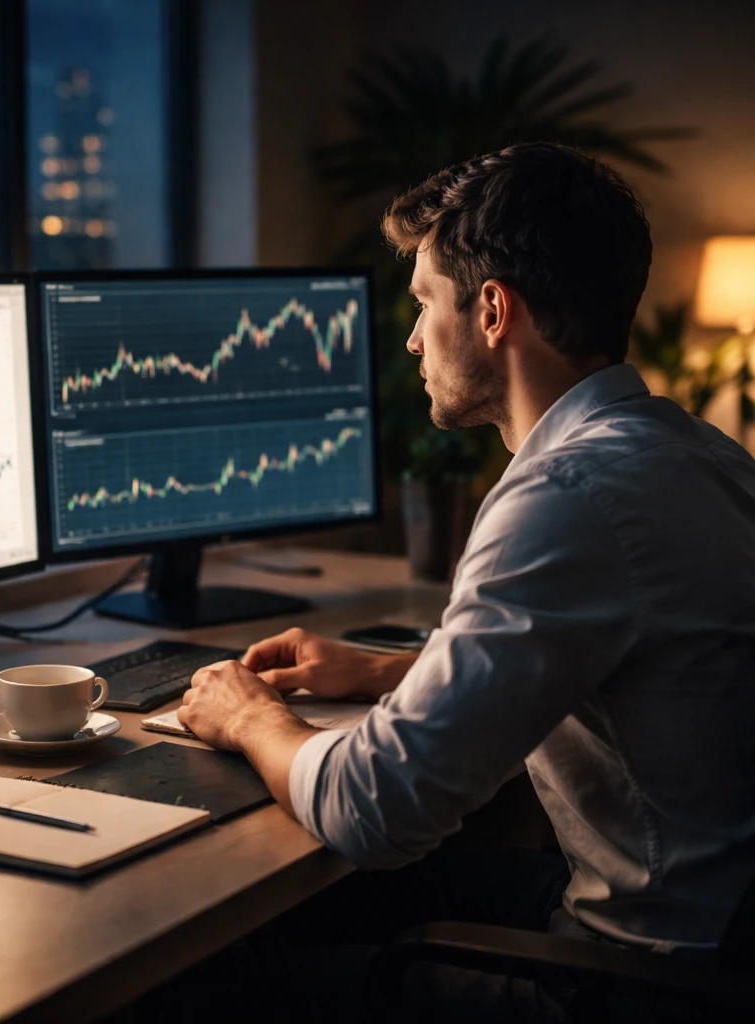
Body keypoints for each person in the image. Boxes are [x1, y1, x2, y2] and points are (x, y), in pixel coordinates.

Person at [174, 142, 755, 1019]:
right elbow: (634, 663)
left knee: (212, 981)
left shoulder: (566, 496)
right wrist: (391, 672)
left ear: (492, 311)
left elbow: (375, 811)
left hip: (640, 981)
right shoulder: (698, 454)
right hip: (718, 935)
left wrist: (251, 716)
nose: (412, 338)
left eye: (423, 302)